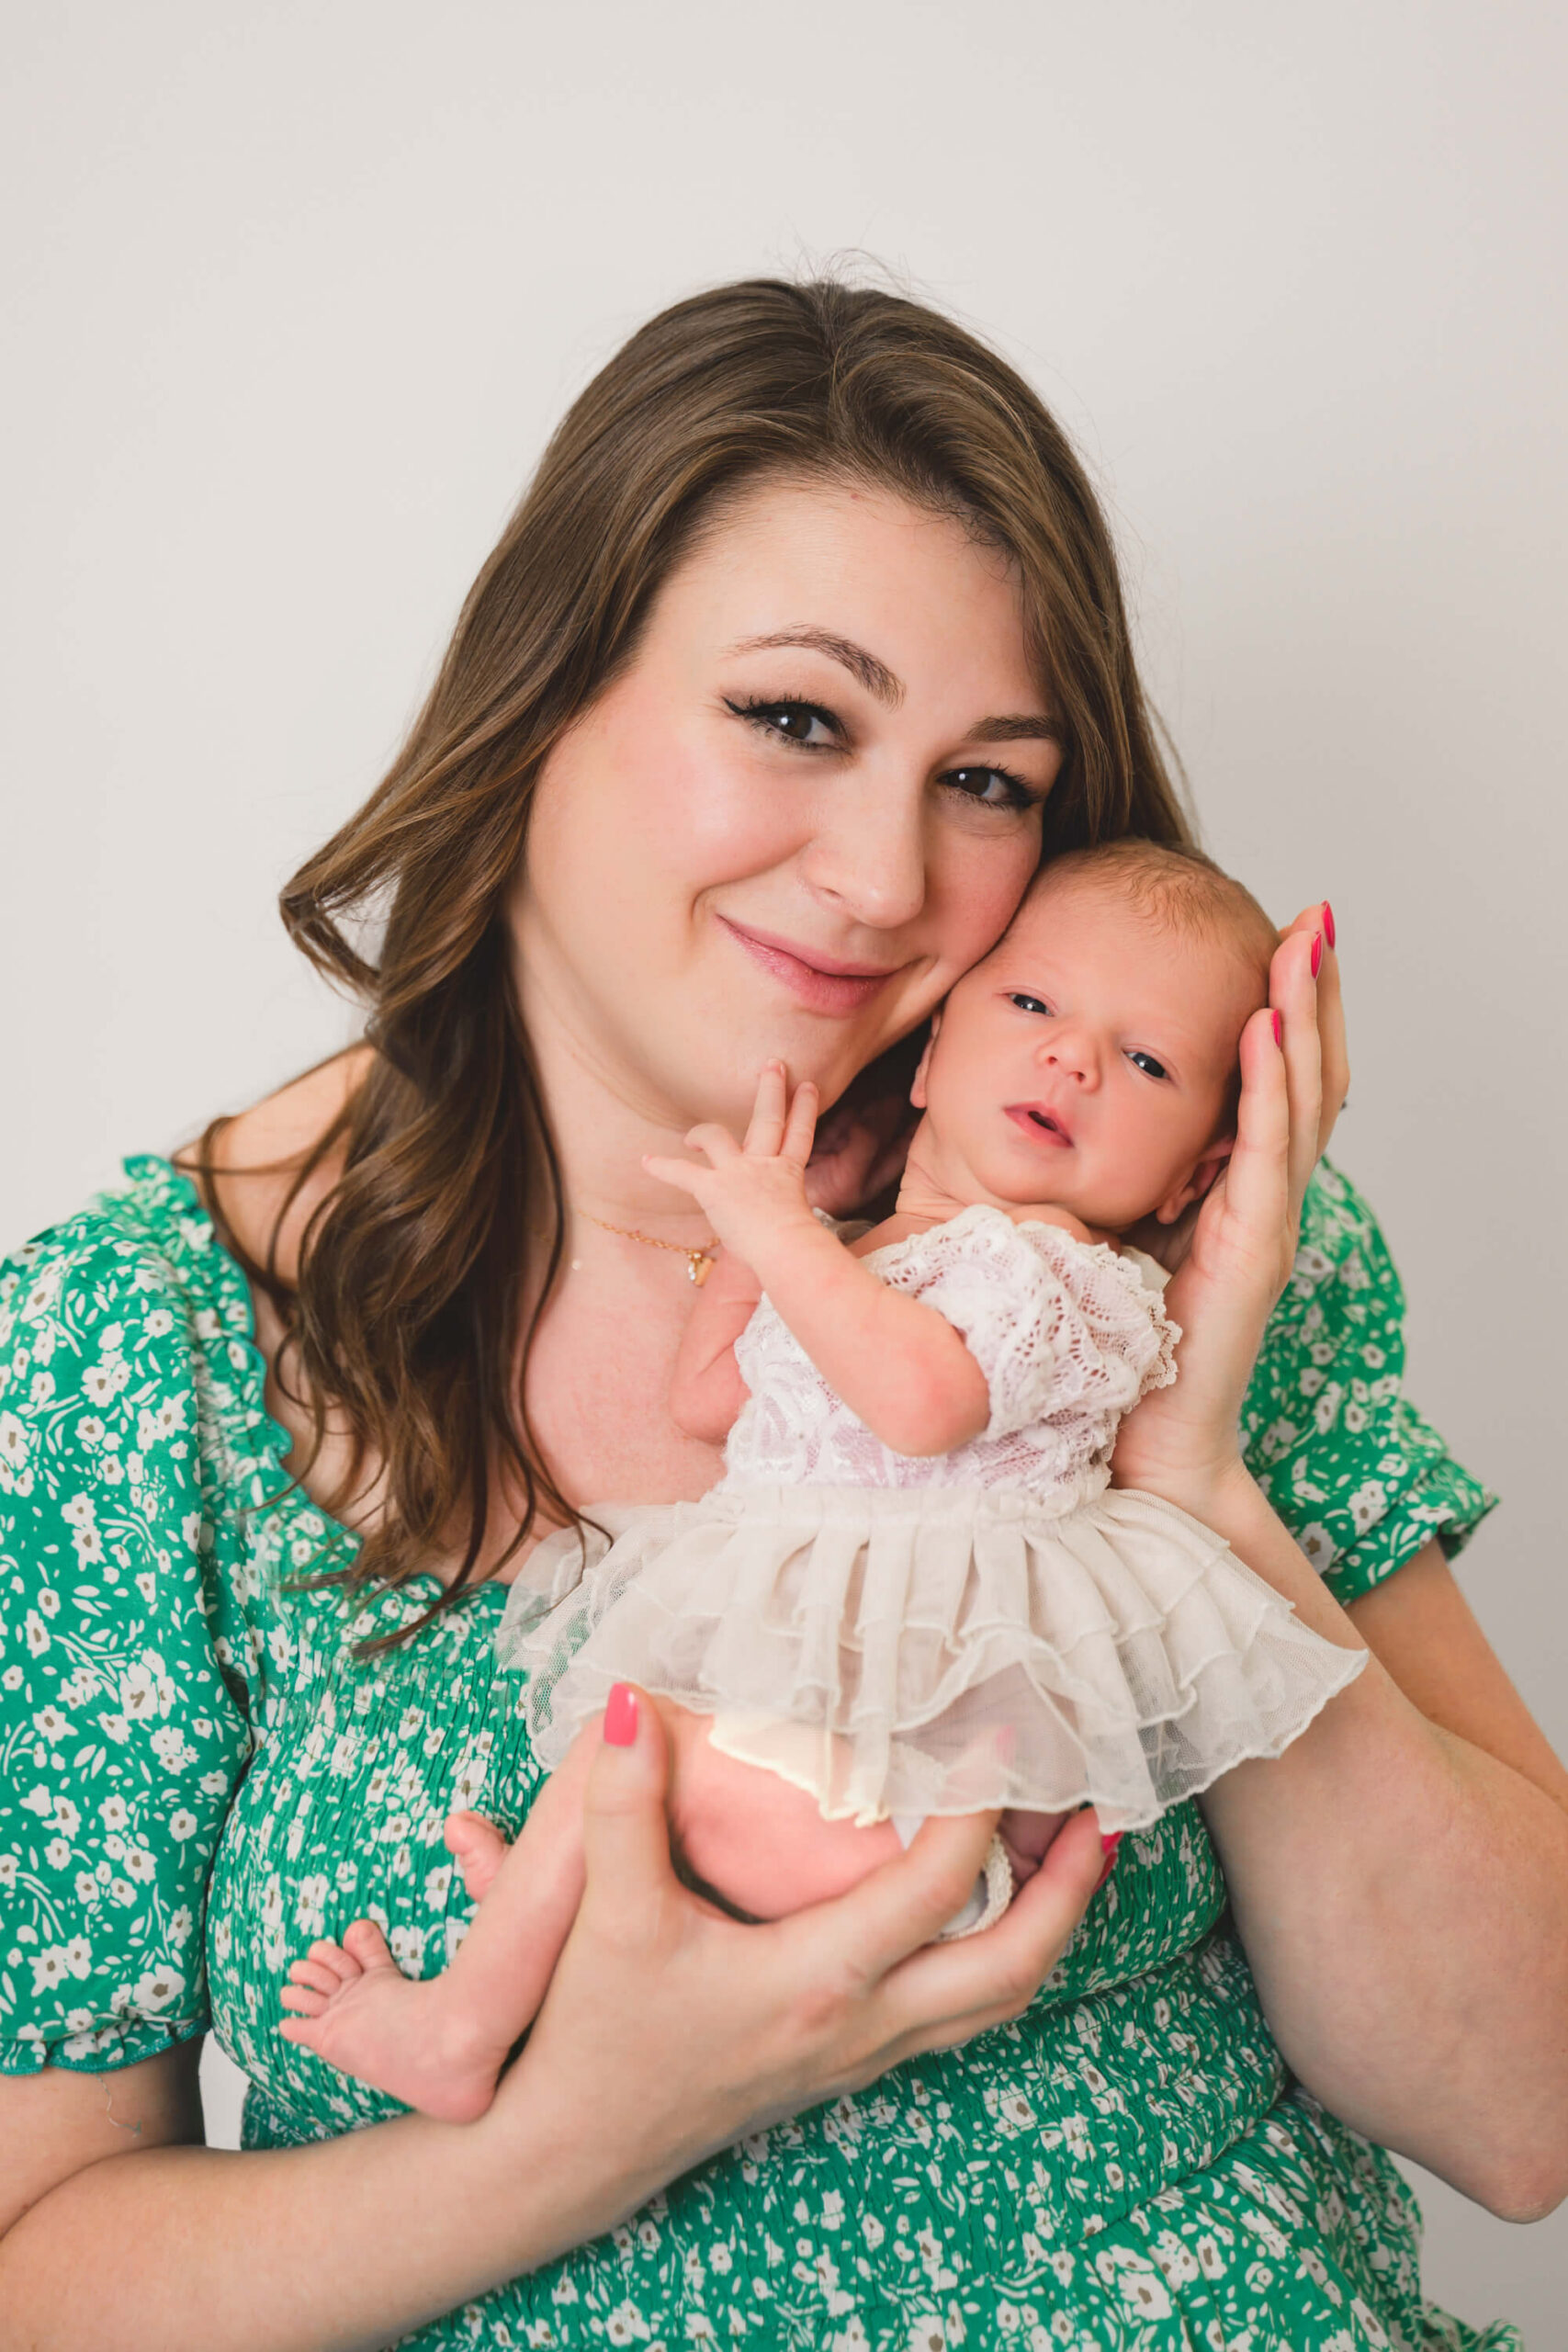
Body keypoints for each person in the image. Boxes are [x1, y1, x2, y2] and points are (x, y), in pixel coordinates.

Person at [1, 279, 1562, 2351]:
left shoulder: (1150, 1241)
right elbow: (42, 2273)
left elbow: (1517, 2103)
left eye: (987, 779)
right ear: (542, 691)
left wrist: (1183, 1470)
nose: (879, 873)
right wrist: (591, 2123)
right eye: (796, 720)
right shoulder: (134, 1350)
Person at [276, 841, 1374, 2129]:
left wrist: (785, 1239)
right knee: (635, 1756)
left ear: (1193, 1175)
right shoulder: (862, 1262)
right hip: (845, 1753)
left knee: (644, 1743)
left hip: (918, 1796)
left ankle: (470, 2016)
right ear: (933, 1051)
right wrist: (771, 1222)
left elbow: (922, 1406)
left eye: (1146, 1064)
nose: (1073, 1058)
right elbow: (710, 1402)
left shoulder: (1065, 1281)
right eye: (1032, 1006)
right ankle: (557, 1923)